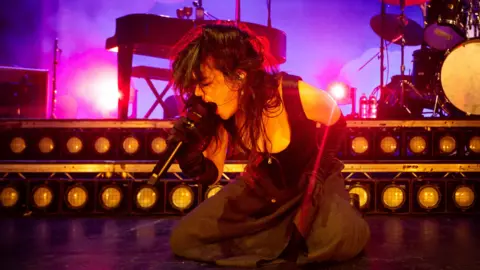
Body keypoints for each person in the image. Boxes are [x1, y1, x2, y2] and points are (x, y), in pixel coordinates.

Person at [167, 23, 370, 268]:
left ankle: (292, 234)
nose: (198, 93)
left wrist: (321, 166)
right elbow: (212, 173)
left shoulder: (297, 95)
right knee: (185, 239)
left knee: (338, 238)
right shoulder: (220, 113)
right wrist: (189, 154)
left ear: (239, 77)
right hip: (261, 190)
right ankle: (274, 243)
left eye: (205, 83)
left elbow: (337, 122)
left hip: (311, 185)